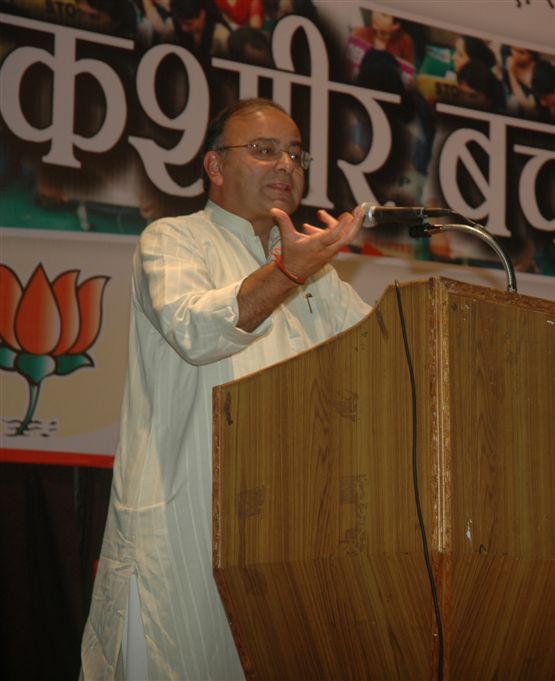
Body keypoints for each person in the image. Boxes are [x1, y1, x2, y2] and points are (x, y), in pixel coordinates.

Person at [79, 98, 371, 679]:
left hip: (287, 544)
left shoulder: (321, 278)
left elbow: (385, 355)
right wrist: (288, 271)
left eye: (296, 153)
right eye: (264, 151)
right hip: (184, 534)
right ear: (214, 167)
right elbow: (196, 329)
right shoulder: (173, 240)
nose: (286, 164)